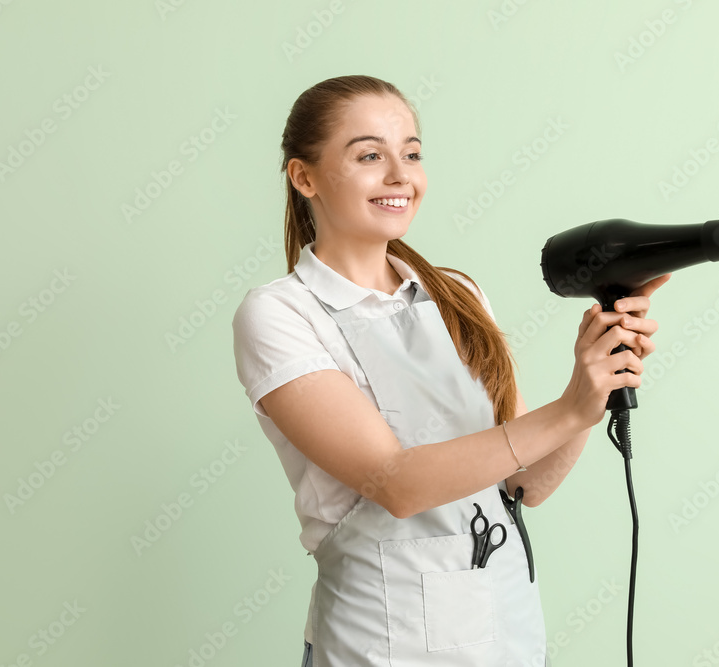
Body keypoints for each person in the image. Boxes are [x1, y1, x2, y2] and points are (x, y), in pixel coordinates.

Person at [231, 74, 669, 666]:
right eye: (369, 155)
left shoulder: (458, 295)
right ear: (304, 177)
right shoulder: (280, 314)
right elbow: (396, 484)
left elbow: (524, 484)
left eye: (411, 153)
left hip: (506, 632)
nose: (400, 175)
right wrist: (568, 408)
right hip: (381, 643)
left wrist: (592, 388)